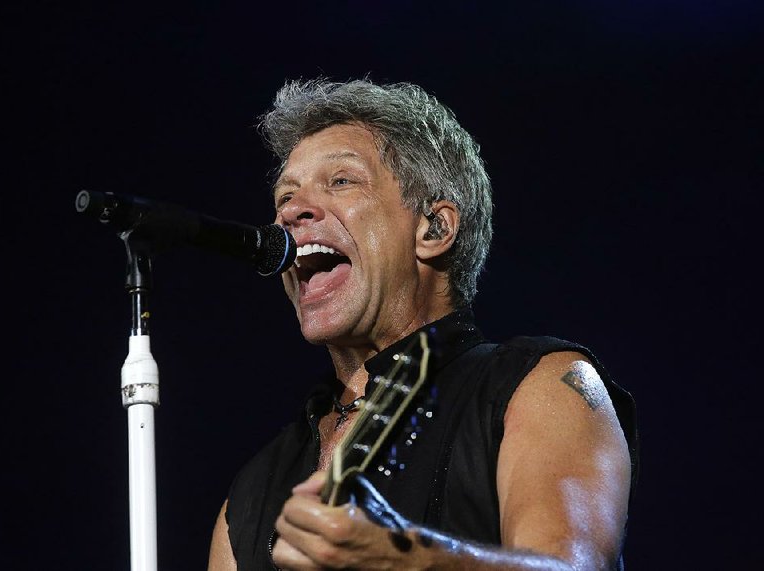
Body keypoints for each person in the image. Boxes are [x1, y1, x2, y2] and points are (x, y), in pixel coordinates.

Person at [207, 78, 638, 570]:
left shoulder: (540, 387)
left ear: (434, 228)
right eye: (285, 195)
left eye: (341, 181)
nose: (291, 211)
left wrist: (403, 560)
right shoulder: (250, 495)